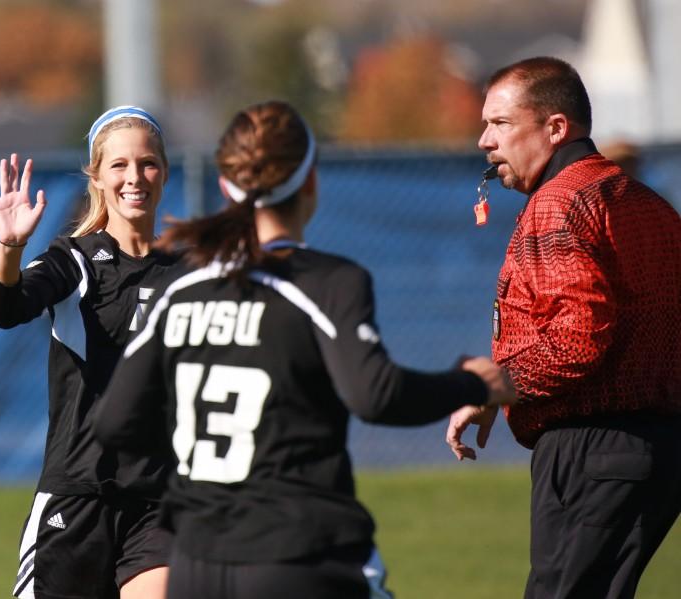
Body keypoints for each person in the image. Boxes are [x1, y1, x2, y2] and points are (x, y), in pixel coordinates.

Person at [93, 100, 518, 599]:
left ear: (227, 187)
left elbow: (115, 421)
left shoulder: (184, 291)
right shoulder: (326, 281)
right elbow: (376, 395)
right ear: (311, 181)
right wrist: (471, 381)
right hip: (297, 556)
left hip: (195, 564)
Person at [446, 57, 681, 599]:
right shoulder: (649, 204)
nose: (485, 140)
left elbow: (579, 337)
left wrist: (493, 384)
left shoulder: (559, 202)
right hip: (656, 448)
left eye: (501, 124)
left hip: (592, 447)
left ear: (556, 128)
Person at [0, 106, 177, 599]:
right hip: (78, 498)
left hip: (159, 501)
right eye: (119, 165)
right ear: (97, 177)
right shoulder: (75, 261)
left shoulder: (186, 270)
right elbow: (7, 308)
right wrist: (10, 248)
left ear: (164, 171)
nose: (135, 177)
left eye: (147, 163)